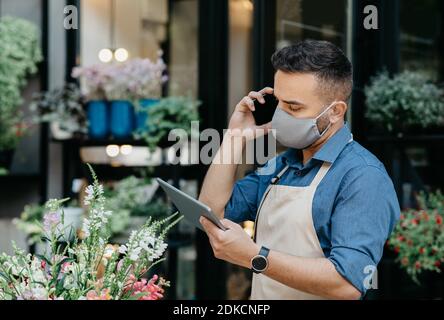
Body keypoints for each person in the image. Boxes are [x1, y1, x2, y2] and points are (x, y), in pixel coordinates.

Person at [198, 40, 400, 300]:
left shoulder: (363, 176)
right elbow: (213, 212)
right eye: (279, 103)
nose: (281, 116)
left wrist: (254, 257)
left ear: (336, 112)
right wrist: (234, 139)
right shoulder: (281, 166)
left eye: (294, 107)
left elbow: (348, 284)